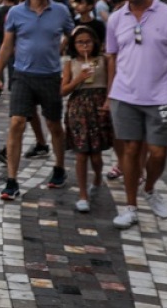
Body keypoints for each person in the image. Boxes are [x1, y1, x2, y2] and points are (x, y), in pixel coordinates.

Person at [105, 0, 167, 229]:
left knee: (158, 152)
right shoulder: (116, 18)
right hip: (125, 96)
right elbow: (112, 57)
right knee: (130, 152)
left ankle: (150, 188)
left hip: (162, 98)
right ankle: (130, 207)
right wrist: (110, 93)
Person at [0, 0, 73, 201]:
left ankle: (59, 168)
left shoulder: (60, 11)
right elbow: (7, 45)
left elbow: (74, 35)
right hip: (23, 75)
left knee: (54, 125)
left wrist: (63, 50)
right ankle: (12, 181)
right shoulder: (16, 13)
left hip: (50, 75)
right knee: (17, 123)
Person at [61, 26, 113, 213]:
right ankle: (83, 194)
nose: (84, 46)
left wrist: (108, 102)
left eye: (88, 42)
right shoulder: (71, 63)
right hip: (78, 107)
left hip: (98, 106)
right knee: (81, 153)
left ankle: (98, 175)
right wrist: (79, 78)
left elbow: (111, 83)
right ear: (74, 45)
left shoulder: (103, 61)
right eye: (80, 42)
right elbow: (63, 90)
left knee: (96, 154)